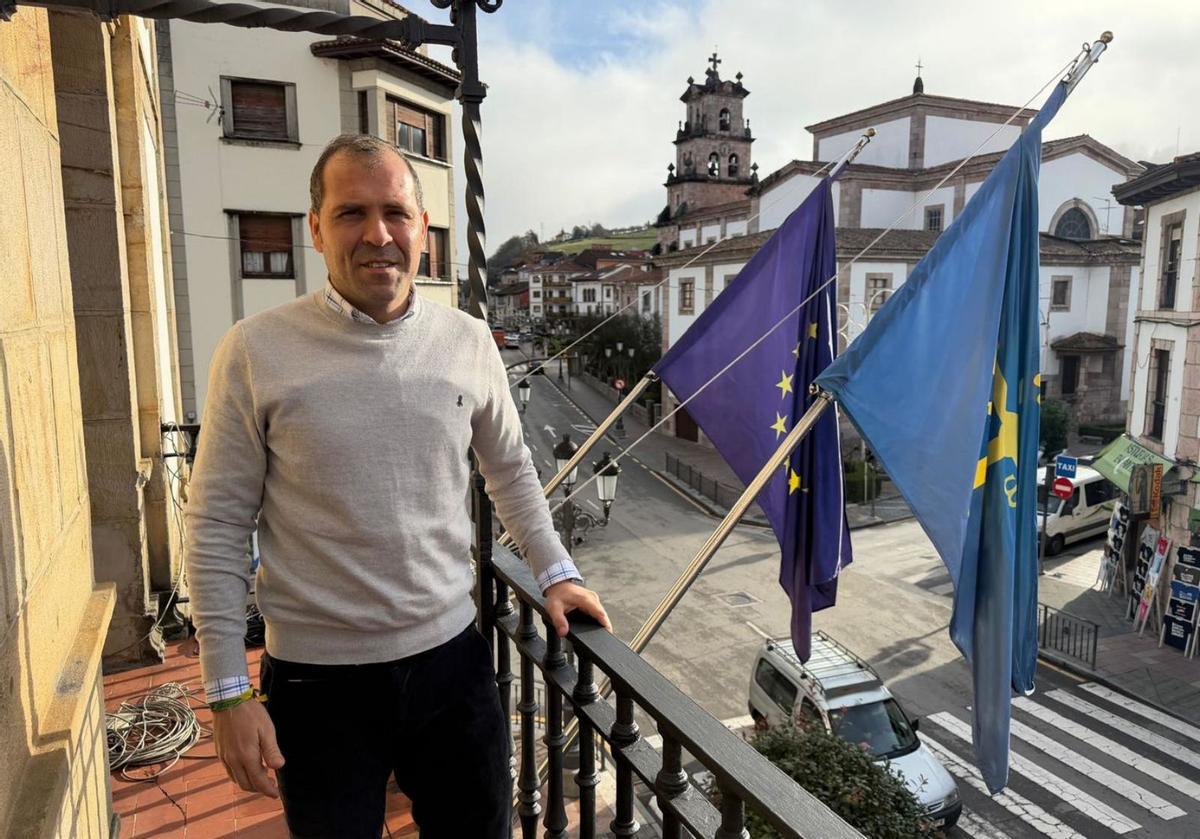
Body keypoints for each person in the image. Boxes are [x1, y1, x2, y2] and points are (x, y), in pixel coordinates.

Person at [184, 134, 611, 838]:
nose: (378, 234)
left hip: (452, 664)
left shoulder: (468, 340)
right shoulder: (254, 349)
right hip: (316, 682)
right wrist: (228, 692)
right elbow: (218, 523)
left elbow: (510, 469)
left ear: (423, 229)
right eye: (351, 213)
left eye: (395, 213)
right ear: (316, 228)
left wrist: (556, 572)